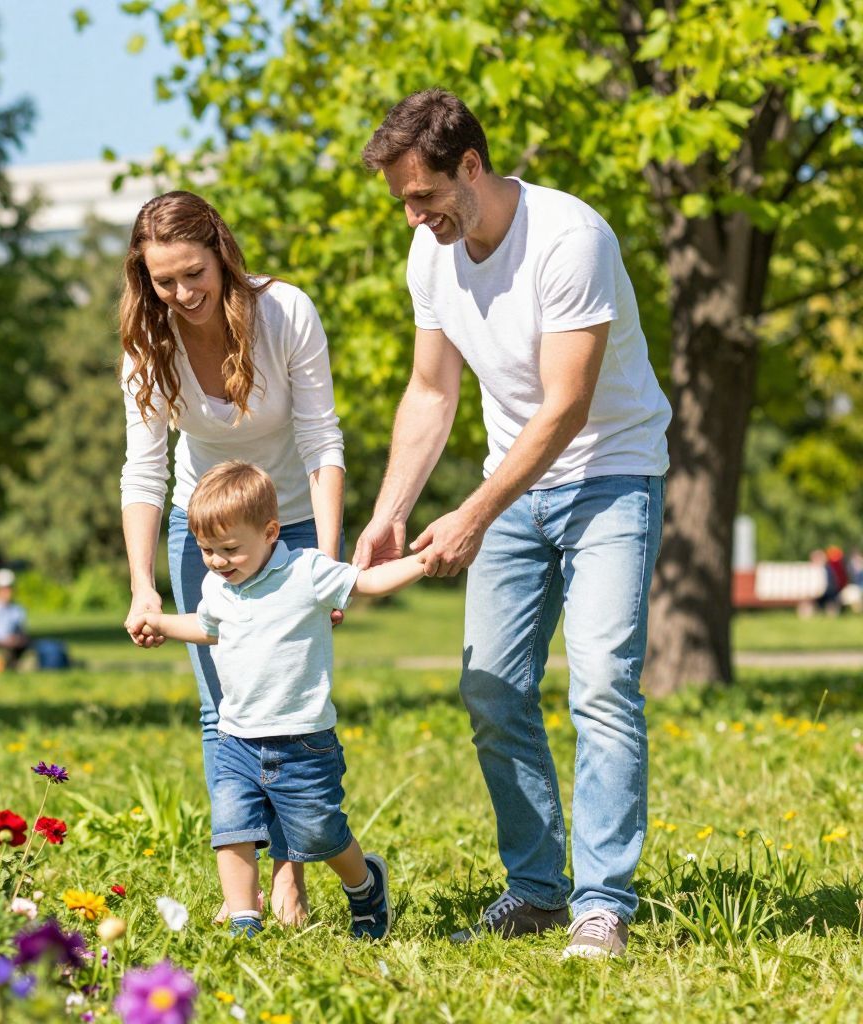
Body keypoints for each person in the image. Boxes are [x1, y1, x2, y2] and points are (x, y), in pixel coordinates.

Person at [356, 89, 671, 959]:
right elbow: (431, 391)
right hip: (514, 485)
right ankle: (536, 891)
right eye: (402, 205)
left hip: (610, 471)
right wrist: (390, 515)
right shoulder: (431, 256)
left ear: (471, 164)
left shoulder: (571, 239)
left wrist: (470, 514)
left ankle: (601, 903)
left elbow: (567, 408)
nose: (415, 219)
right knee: (491, 688)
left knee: (602, 682)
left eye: (424, 197)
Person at [118, 190, 346, 925]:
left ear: (220, 251)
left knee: (286, 704)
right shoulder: (147, 342)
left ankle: (292, 874)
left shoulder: (285, 313)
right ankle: (241, 897)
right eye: (163, 281)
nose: (182, 294)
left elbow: (322, 442)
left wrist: (330, 566)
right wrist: (142, 588)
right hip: (204, 528)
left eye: (193, 274)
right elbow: (144, 468)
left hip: (295, 525)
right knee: (224, 712)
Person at [138, 462, 425, 938]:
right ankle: (244, 920)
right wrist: (165, 624)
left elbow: (367, 583)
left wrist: (421, 562)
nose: (216, 561)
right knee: (231, 829)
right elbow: (208, 628)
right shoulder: (218, 586)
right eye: (207, 550)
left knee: (319, 834)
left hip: (303, 742)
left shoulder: (307, 572)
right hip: (236, 740)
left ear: (271, 532)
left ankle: (365, 884)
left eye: (230, 549)